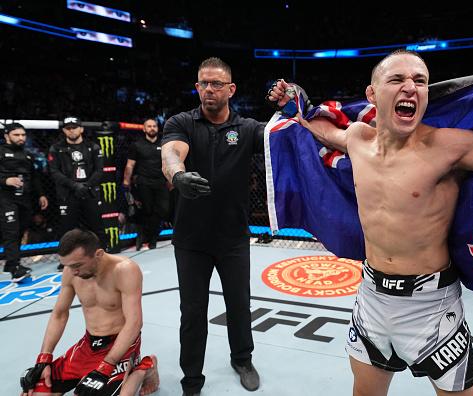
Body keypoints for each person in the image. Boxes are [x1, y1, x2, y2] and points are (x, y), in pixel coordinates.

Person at [268, 49, 473, 396]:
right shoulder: (359, 138)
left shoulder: (450, 147)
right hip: (371, 298)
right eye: (397, 79)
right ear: (372, 94)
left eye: (419, 81)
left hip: (432, 307)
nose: (411, 87)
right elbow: (321, 131)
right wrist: (296, 106)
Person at [161, 57, 286, 395]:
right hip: (190, 238)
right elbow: (172, 152)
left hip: (232, 236)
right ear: (197, 86)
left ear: (231, 89)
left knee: (238, 303)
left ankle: (242, 359)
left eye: (216, 83)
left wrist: (294, 102)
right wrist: (178, 174)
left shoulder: (247, 128)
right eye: (203, 83)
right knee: (192, 310)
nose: (209, 89)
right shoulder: (181, 122)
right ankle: (192, 377)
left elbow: (284, 134)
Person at [19, 228, 159, 396]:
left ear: (98, 254)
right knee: (34, 392)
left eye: (77, 265)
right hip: (88, 345)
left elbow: (134, 323)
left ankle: (144, 366)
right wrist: (44, 358)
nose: (73, 272)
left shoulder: (124, 270)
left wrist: (107, 365)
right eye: (68, 266)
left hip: (120, 345)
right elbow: (59, 314)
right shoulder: (71, 272)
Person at [48, 116, 107, 270]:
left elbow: (99, 170)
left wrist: (86, 185)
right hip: (68, 194)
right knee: (67, 228)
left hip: (89, 192)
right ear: (63, 130)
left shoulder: (93, 147)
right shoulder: (56, 148)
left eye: (74, 127)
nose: (71, 130)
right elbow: (54, 172)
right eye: (68, 127)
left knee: (96, 225)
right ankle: (66, 260)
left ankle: (103, 255)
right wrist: (74, 186)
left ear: (81, 129)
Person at [0, 123, 49, 282]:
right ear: (7, 136)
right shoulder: (1, 151)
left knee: (21, 230)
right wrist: (5, 180)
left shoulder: (28, 154)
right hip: (6, 198)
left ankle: (10, 262)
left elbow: (34, 177)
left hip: (24, 198)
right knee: (11, 231)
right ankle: (15, 268)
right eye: (16, 135)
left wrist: (41, 194)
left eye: (23, 135)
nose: (21, 138)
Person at [123, 118, 169, 250]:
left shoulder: (163, 143)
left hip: (161, 181)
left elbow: (169, 162)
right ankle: (149, 239)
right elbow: (130, 165)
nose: (152, 128)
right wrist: (126, 181)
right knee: (147, 211)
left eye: (154, 126)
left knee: (163, 210)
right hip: (144, 182)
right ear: (144, 129)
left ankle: (149, 236)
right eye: (149, 126)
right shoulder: (137, 145)